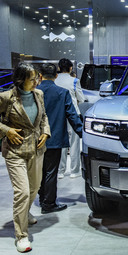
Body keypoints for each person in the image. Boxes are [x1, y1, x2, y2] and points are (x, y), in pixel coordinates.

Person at [0, 63, 50, 252]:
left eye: (37, 77)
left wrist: (45, 132)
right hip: (15, 151)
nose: (37, 81)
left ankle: (24, 212)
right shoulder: (6, 98)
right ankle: (21, 235)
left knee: (35, 187)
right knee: (22, 192)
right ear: (21, 80)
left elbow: (44, 116)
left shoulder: (39, 94)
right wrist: (6, 130)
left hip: (36, 149)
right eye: (32, 78)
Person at [37, 63, 83, 214]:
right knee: (51, 172)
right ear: (56, 76)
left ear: (40, 76)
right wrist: (82, 132)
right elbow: (72, 115)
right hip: (54, 138)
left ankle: (42, 197)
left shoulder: (34, 92)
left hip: (35, 139)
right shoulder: (62, 93)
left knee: (38, 171)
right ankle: (49, 203)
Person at [55, 58, 85, 178]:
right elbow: (81, 98)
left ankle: (60, 171)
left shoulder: (55, 80)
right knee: (74, 143)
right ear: (71, 68)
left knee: (61, 143)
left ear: (59, 68)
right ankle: (74, 171)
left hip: (58, 114)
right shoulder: (75, 81)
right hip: (73, 114)